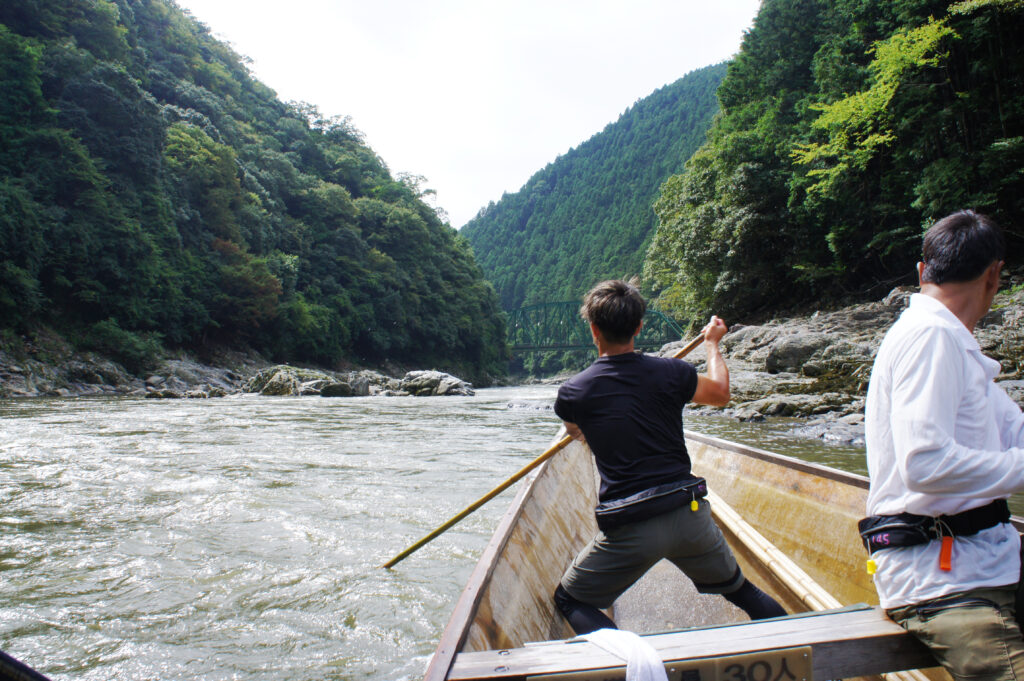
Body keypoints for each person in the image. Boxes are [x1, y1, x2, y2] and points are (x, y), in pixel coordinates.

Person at [552, 279, 786, 635]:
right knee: (743, 592)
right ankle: (813, 661)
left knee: (570, 599)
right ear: (640, 327)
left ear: (594, 329)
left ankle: (634, 666)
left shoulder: (573, 393)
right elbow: (721, 393)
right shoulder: (673, 373)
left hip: (630, 525)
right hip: (689, 516)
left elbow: (576, 431)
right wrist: (712, 344)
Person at [861, 209, 1024, 681]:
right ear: (995, 276)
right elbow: (926, 465)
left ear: (921, 272)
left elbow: (1013, 436)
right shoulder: (930, 336)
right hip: (944, 581)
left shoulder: (955, 344)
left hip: (985, 562)